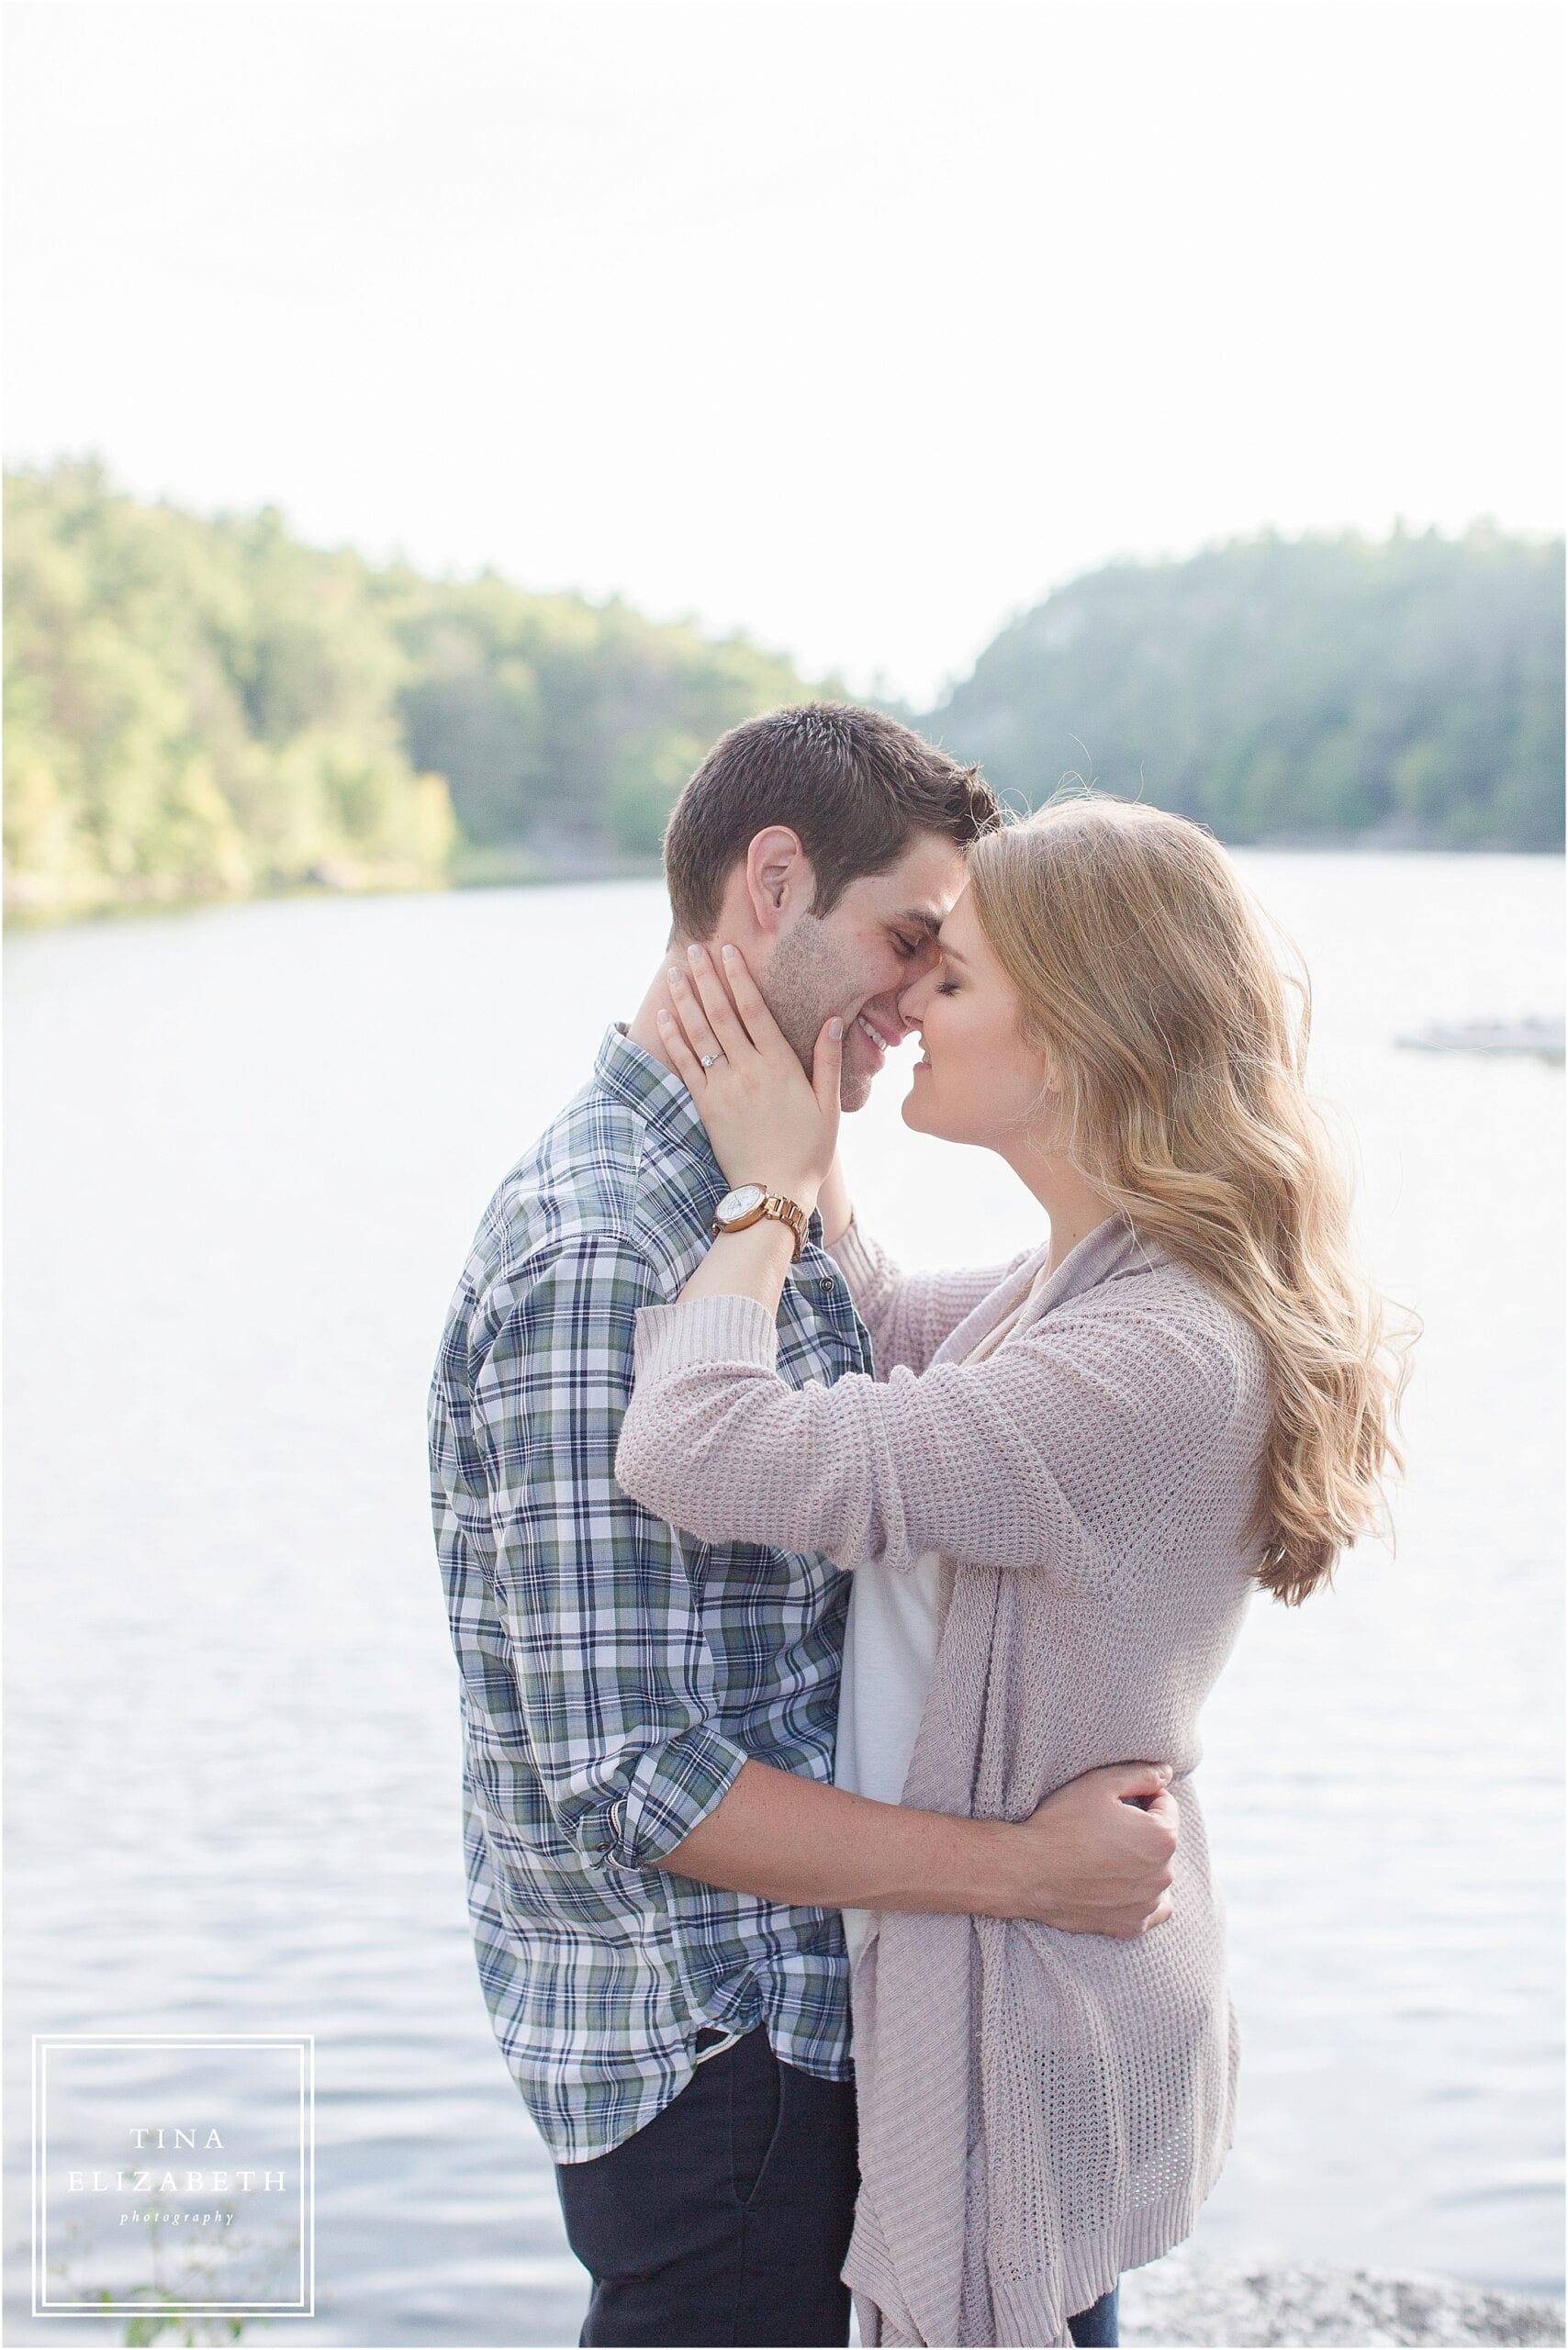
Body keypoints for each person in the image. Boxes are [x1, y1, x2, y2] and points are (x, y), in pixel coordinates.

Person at [428, 710, 1183, 2350]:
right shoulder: (603, 1251)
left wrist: (800, 1171)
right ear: (774, 885)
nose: (917, 1004)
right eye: (907, 943)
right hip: (727, 2059)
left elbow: (936, 1363)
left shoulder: (742, 1204)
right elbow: (633, 1770)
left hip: (826, 2026)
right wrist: (1026, 1878)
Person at [616, 792, 1412, 2349]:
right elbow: (897, 1330)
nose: (906, 1003)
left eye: (954, 981)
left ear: (1078, 1041)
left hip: (1027, 2022)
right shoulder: (1095, 1284)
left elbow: (693, 1448)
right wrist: (808, 1129)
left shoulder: (1149, 1357)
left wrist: (762, 1193)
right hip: (1058, 1976)